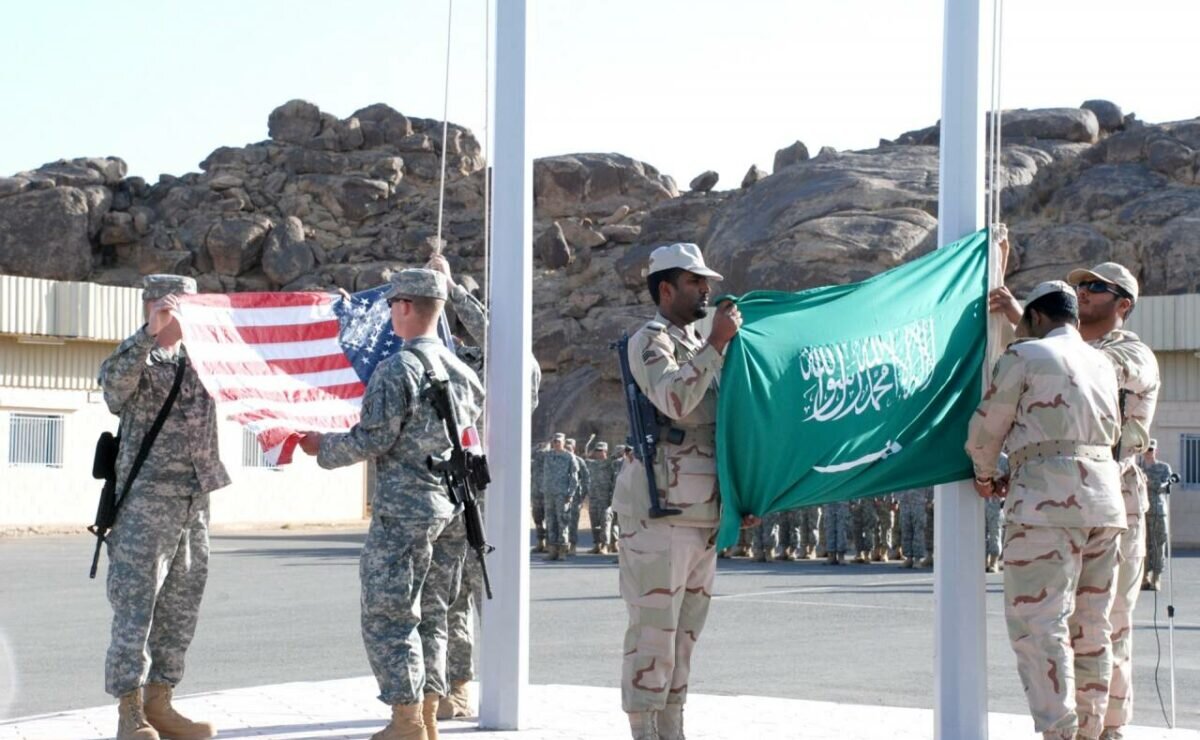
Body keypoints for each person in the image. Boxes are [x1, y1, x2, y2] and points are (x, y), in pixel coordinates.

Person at [299, 268, 484, 740]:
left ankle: (405, 720)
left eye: (390, 306)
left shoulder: (397, 369)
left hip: (405, 511)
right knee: (434, 612)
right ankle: (425, 717)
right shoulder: (462, 371)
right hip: (450, 509)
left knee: (390, 613)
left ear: (403, 307)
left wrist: (321, 447)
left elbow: (373, 438)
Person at [992, 262, 1160, 739]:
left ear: (1123, 303)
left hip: (1117, 502)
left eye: (1096, 287)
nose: (1082, 292)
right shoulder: (1073, 349)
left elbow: (1081, 368)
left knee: (1106, 625)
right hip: (1080, 497)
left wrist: (1028, 323)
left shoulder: (1130, 351)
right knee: (1074, 626)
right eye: (1079, 286)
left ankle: (1109, 728)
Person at [968, 281, 1125, 740]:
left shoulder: (1025, 356)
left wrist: (983, 474)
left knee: (1040, 625)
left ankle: (1059, 732)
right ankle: (1091, 731)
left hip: (1045, 503)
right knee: (1092, 625)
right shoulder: (1103, 361)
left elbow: (988, 427)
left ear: (1035, 318)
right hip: (1105, 503)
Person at [612, 242, 742, 740]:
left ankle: (673, 728)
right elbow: (673, 398)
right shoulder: (651, 341)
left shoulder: (697, 343)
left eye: (706, 281)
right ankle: (645, 731)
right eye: (694, 281)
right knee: (654, 634)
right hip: (659, 507)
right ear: (666, 289)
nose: (706, 289)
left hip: (703, 508)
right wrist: (716, 346)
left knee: (685, 635)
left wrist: (739, 496)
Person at [97, 275, 230, 740]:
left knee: (180, 610)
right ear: (154, 306)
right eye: (176, 305)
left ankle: (161, 701)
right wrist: (149, 332)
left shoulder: (204, 360)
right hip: (145, 505)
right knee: (135, 610)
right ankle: (129, 710)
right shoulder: (137, 357)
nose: (184, 312)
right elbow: (113, 390)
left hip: (194, 504)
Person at [540, 433, 582, 561]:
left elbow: (574, 478)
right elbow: (533, 454)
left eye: (558, 441)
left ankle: (563, 550)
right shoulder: (548, 455)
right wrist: (544, 444)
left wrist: (571, 494)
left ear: (563, 442)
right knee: (550, 521)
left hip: (562, 495)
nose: (556, 443)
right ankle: (552, 550)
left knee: (562, 521)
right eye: (554, 441)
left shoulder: (569, 457)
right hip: (549, 494)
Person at [1140, 440, 1173, 592]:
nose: (1149, 452)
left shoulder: (1163, 467)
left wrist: (1148, 482)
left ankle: (1156, 577)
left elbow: (1164, 485)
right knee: (1142, 544)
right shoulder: (1137, 468)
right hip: (1141, 512)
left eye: (1151, 449)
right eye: (1146, 449)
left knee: (1159, 543)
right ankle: (1144, 576)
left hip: (1158, 511)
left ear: (1156, 451)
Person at [586, 442, 619, 554]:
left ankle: (606, 545)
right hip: (594, 497)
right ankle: (597, 544)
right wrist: (590, 453)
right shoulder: (592, 464)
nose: (599, 453)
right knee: (594, 521)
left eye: (601, 451)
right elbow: (584, 459)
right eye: (597, 451)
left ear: (606, 451)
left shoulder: (611, 463)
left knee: (606, 522)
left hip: (606, 498)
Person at [565, 437, 591, 555]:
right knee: (562, 521)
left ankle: (573, 545)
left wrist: (582, 495)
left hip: (575, 497)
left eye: (569, 447)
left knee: (573, 521)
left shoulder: (579, 461)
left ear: (574, 448)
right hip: (561, 496)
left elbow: (586, 479)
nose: (567, 449)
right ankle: (563, 544)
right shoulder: (561, 459)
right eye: (566, 447)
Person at [895, 488, 929, 569]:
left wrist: (930, 499)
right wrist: (895, 499)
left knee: (918, 530)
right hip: (904, 502)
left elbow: (929, 483)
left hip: (919, 502)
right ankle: (908, 557)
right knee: (905, 530)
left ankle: (917, 559)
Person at [823, 501, 852, 565]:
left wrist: (854, 501)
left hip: (843, 501)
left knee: (842, 530)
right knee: (829, 529)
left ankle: (841, 556)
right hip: (829, 502)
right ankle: (831, 555)